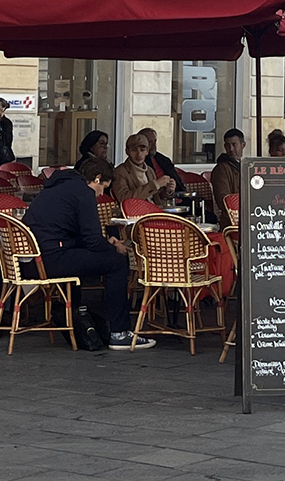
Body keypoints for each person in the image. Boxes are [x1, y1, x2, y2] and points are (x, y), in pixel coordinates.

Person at [25, 161, 153, 350]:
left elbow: (74, 235)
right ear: (97, 179)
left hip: (33, 259)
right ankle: (120, 333)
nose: (101, 194)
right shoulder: (84, 193)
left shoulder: (58, 187)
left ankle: (80, 324)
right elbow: (92, 240)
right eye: (103, 187)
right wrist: (114, 248)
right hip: (51, 260)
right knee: (117, 262)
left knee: (93, 258)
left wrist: (105, 242)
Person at [112, 132, 177, 206]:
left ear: (147, 151)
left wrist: (168, 190)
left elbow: (156, 197)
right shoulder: (119, 172)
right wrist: (155, 184)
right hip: (137, 212)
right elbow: (124, 199)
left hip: (155, 209)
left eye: (142, 150)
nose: (139, 154)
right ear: (127, 151)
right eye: (134, 150)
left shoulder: (149, 170)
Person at [134, 127, 184, 191]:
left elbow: (178, 182)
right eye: (150, 142)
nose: (153, 144)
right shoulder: (138, 162)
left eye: (155, 141)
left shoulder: (164, 160)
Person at [210, 128, 245, 213]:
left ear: (243, 145)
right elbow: (223, 199)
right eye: (227, 145)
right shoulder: (220, 169)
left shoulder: (248, 166)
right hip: (231, 216)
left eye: (234, 144)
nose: (231, 149)